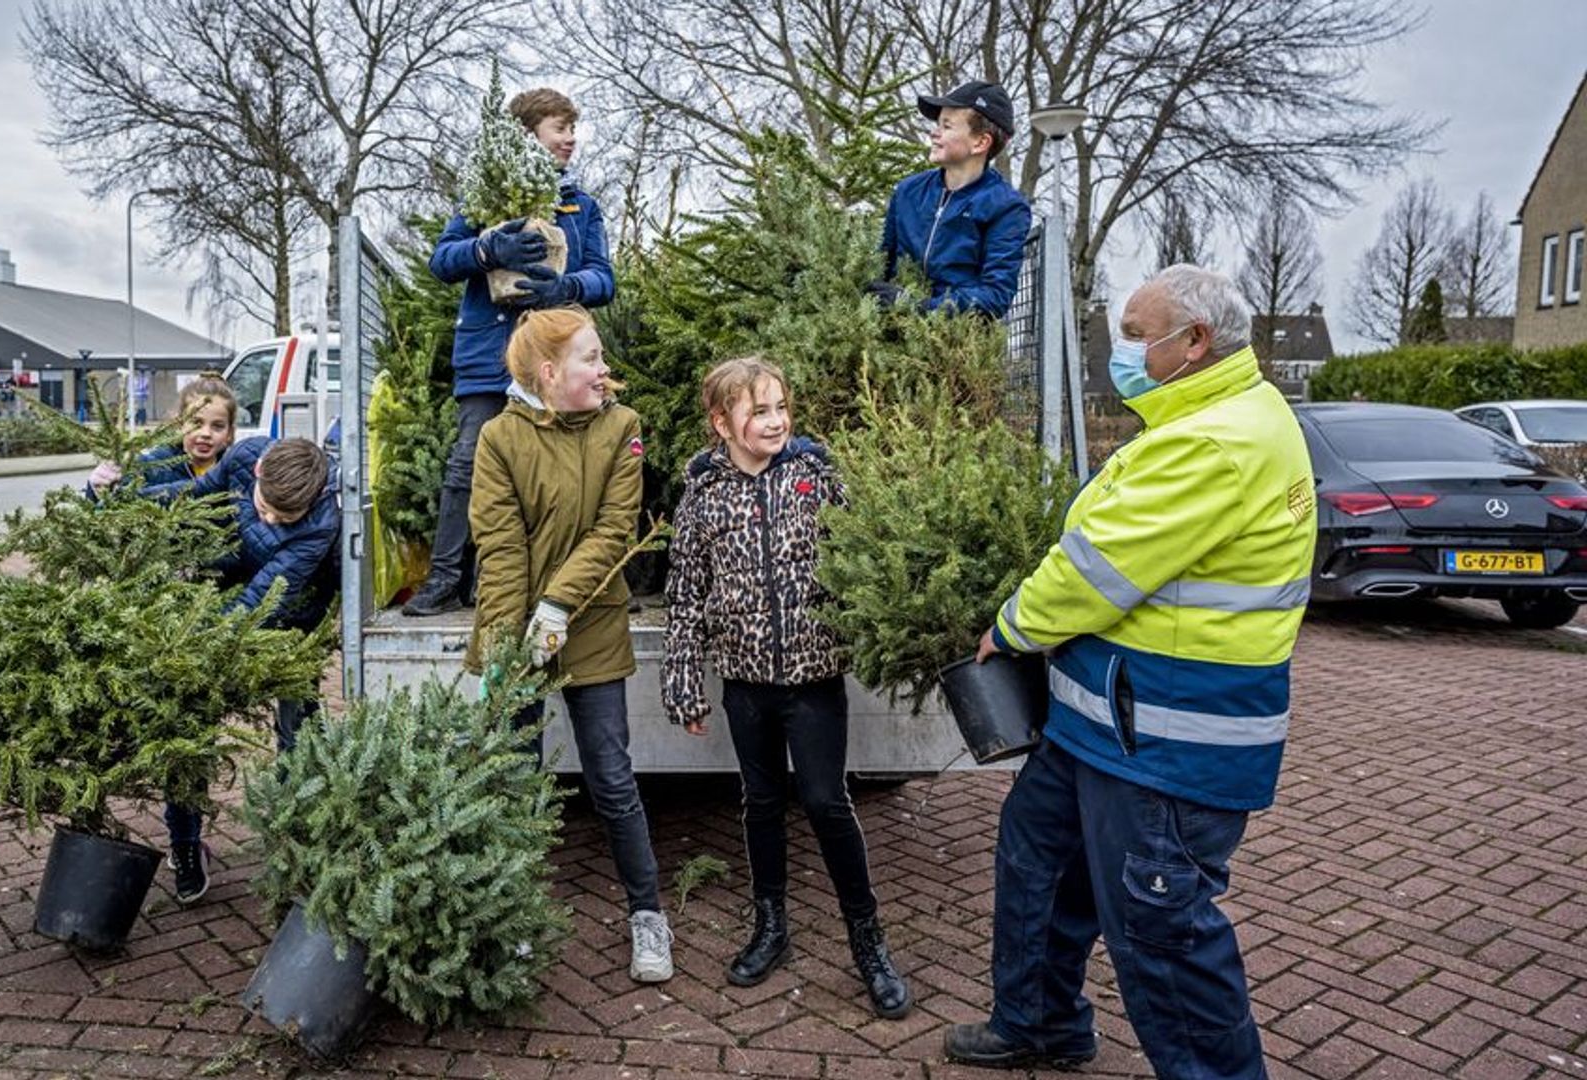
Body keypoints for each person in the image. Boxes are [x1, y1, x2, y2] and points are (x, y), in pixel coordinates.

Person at [945, 265, 1318, 1078]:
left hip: (1164, 737)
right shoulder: (1205, 412)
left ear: (1195, 342)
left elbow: (1096, 569)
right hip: (1102, 723)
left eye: (1137, 335)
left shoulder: (1215, 442)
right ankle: (1037, 1020)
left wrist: (1008, 629)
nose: (1123, 350)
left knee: (1160, 923)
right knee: (1038, 855)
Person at [661, 356, 911, 1019]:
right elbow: (685, 594)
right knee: (761, 802)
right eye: (757, 411)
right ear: (722, 423)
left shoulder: (814, 477)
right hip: (745, 684)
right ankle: (771, 925)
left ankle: (868, 939)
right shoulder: (703, 495)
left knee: (828, 803)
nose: (774, 421)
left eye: (780, 408)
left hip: (813, 678)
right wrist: (684, 681)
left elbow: (865, 547)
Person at [465, 305, 673, 982]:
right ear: (550, 372)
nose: (604, 368)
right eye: (590, 357)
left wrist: (557, 606)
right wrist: (505, 646)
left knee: (611, 779)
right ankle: (513, 917)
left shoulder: (622, 428)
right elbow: (499, 549)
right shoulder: (499, 438)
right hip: (516, 633)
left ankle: (648, 918)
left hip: (590, 628)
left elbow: (616, 532)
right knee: (515, 781)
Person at [405, 87, 617, 616]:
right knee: (469, 463)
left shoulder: (580, 205)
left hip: (558, 357)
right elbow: (442, 260)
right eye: (559, 129)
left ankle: (582, 579)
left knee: (573, 463)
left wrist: (564, 290)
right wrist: (487, 249)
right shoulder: (481, 200)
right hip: (490, 356)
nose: (570, 139)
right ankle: (448, 578)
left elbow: (605, 278)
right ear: (527, 136)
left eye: (572, 129)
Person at [125, 435, 342, 904]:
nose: (269, 519)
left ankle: (297, 842)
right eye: (266, 506)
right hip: (219, 593)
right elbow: (198, 500)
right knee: (187, 726)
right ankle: (185, 847)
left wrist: (202, 639)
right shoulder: (245, 457)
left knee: (297, 731)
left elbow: (262, 599)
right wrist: (125, 498)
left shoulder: (321, 523)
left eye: (285, 518)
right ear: (259, 472)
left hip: (288, 622)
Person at [873, 80, 1032, 319]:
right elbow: (881, 263)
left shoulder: (1006, 207)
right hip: (891, 332)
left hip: (956, 342)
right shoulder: (907, 192)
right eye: (938, 124)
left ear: (980, 142)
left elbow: (995, 294)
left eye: (946, 126)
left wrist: (917, 306)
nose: (934, 133)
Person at [85, 373, 237, 495]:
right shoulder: (152, 467)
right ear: (179, 424)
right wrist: (98, 487)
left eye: (217, 426)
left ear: (229, 433)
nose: (206, 433)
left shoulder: (236, 472)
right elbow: (111, 505)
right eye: (196, 423)